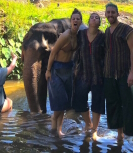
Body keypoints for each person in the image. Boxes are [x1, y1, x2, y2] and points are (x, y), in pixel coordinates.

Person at [104, 3, 133, 152]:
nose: (110, 15)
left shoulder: (127, 30)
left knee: (130, 106)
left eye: (112, 12)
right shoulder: (107, 31)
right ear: (105, 14)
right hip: (109, 74)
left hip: (124, 74)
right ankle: (120, 135)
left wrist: (132, 72)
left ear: (117, 13)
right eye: (108, 12)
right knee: (114, 106)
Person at [45, 8, 82, 138]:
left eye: (78, 19)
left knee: (64, 103)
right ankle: (54, 128)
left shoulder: (78, 36)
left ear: (81, 21)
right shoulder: (65, 35)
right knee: (58, 104)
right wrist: (48, 71)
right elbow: (53, 52)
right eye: (74, 19)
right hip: (56, 70)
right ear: (71, 21)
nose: (75, 20)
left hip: (69, 70)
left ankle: (57, 132)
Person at [72, 12, 105, 140]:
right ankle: (88, 123)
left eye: (97, 18)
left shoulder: (103, 36)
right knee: (80, 101)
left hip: (98, 75)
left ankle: (94, 130)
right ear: (88, 21)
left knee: (97, 103)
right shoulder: (81, 34)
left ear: (99, 22)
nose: (94, 19)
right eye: (92, 17)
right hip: (83, 74)